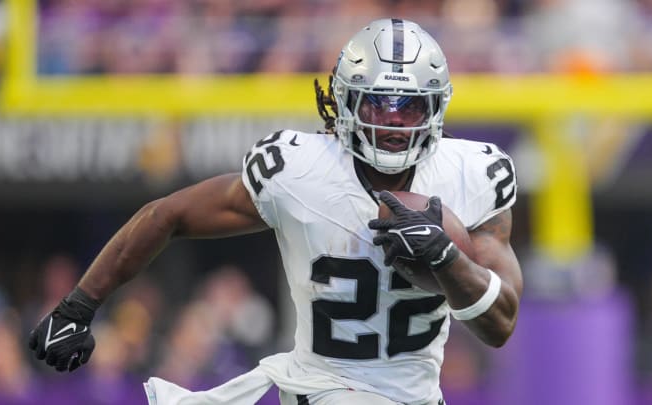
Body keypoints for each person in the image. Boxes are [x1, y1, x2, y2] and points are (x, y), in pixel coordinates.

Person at [28, 18, 523, 405]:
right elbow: (168, 215)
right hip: (323, 384)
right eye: (377, 105)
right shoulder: (299, 169)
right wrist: (79, 306)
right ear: (344, 101)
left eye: (410, 108)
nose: (393, 122)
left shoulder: (473, 174)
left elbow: (500, 324)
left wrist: (446, 259)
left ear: (436, 110)